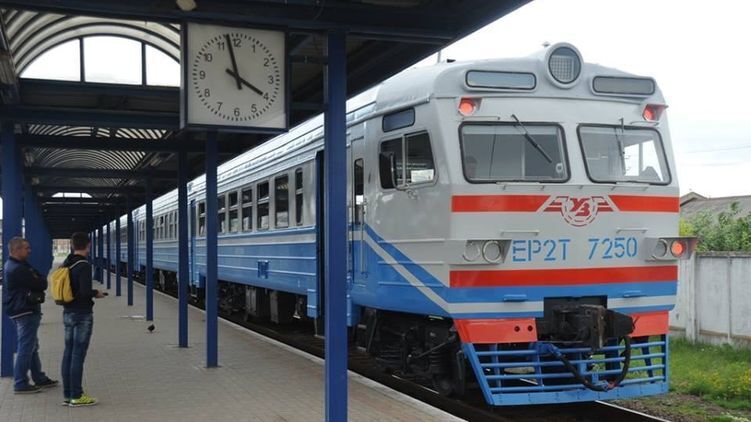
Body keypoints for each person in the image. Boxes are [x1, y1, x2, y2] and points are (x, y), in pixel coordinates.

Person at [2, 237, 58, 394]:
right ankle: (20, 383)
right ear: (16, 250)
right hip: (25, 310)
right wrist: (38, 278)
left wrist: (37, 277)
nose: (29, 251)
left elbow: (39, 278)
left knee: (32, 346)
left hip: (20, 309)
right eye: (26, 248)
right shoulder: (19, 269)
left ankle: (39, 377)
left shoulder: (15, 265)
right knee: (26, 347)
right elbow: (42, 283)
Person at [60, 232, 105, 407]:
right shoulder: (84, 265)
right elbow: (85, 292)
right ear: (88, 245)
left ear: (72, 245)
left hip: (68, 312)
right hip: (82, 314)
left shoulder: (67, 262)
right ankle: (77, 396)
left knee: (68, 353)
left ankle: (68, 394)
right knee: (78, 355)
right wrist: (97, 293)